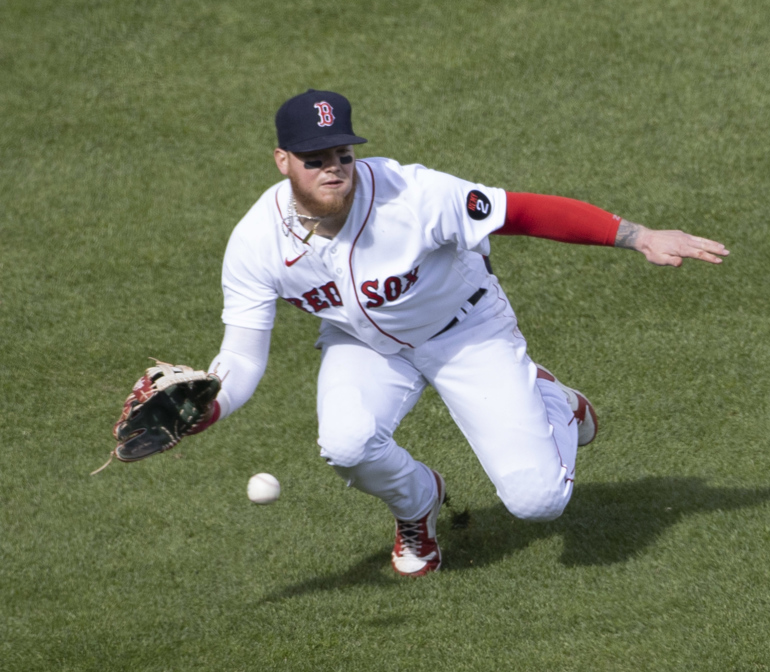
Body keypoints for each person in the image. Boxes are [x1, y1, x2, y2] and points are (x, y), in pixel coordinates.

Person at [198, 89, 729, 577]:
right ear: (283, 160)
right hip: (365, 345)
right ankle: (418, 504)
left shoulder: (413, 193)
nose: (333, 169)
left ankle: (557, 404)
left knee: (539, 502)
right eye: (315, 160)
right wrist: (208, 405)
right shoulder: (255, 241)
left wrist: (637, 236)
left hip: (466, 332)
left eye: (343, 155)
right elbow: (241, 356)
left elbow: (521, 212)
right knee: (347, 445)